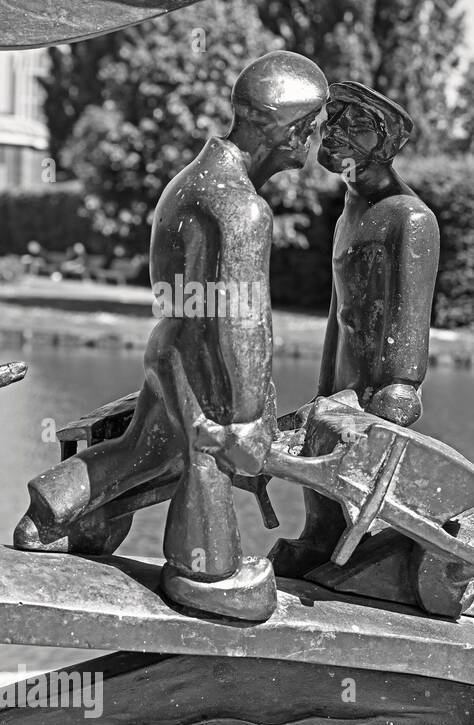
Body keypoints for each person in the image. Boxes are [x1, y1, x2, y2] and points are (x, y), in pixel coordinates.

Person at [13, 51, 328, 622]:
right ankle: (206, 574)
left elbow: (179, 292)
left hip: (172, 346)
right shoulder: (242, 208)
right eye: (317, 128)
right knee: (205, 455)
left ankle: (48, 513)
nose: (317, 143)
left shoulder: (191, 182)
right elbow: (241, 322)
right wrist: (247, 416)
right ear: (295, 132)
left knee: (148, 450)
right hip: (208, 360)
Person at [270, 81, 438, 578]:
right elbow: (337, 316)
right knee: (300, 434)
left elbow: (409, 326)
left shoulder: (409, 220)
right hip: (342, 378)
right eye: (335, 117)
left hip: (379, 390)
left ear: (384, 148)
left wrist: (398, 392)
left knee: (330, 440)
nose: (335, 131)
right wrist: (324, 388)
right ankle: (320, 535)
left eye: (356, 125)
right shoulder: (350, 211)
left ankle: (358, 547)